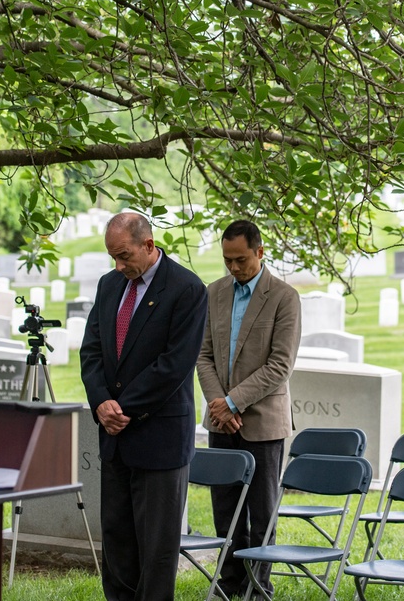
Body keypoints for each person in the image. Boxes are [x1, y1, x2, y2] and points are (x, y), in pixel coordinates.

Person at [80, 212, 208, 601]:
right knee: (117, 544)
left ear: (148, 245)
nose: (118, 266)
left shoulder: (186, 288)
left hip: (159, 437)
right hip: (116, 437)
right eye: (112, 258)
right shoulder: (109, 285)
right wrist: (101, 402)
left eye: (123, 256)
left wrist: (122, 408)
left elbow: (173, 365)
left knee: (156, 551)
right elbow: (91, 351)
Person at [196, 220, 301, 599]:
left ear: (259, 252)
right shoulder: (214, 293)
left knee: (261, 516)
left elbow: (280, 365)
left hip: (262, 423)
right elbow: (203, 355)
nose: (234, 268)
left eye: (241, 260)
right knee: (225, 511)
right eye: (227, 261)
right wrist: (218, 405)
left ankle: (258, 589)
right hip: (221, 421)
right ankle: (229, 585)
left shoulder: (284, 297)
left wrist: (233, 401)